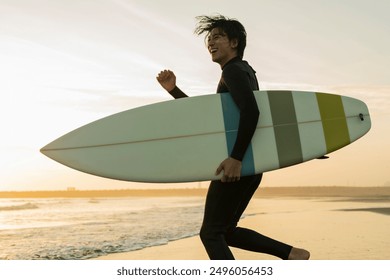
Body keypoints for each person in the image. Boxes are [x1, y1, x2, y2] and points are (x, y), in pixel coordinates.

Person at [157, 15, 310, 260]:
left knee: (210, 233)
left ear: (234, 42)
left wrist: (236, 158)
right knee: (225, 231)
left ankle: (291, 255)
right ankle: (292, 254)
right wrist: (174, 90)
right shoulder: (244, 71)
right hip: (251, 163)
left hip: (237, 163)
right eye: (209, 39)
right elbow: (214, 121)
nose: (210, 43)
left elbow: (252, 112)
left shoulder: (233, 71)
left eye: (217, 36)